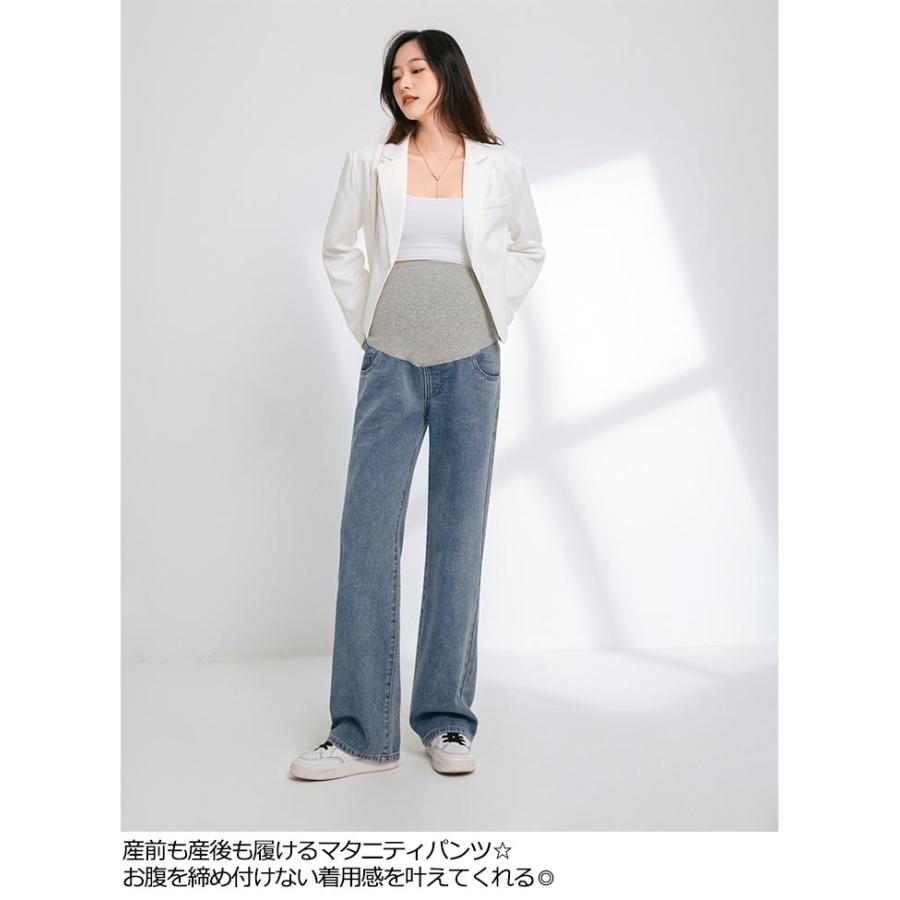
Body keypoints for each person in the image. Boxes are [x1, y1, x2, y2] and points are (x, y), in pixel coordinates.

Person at [290, 29, 545, 780]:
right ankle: (361, 734)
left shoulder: (499, 165)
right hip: (391, 361)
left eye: (417, 68)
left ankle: (446, 722)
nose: (403, 82)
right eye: (395, 73)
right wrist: (370, 324)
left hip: (473, 363)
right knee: (367, 538)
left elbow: (528, 248)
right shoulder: (370, 165)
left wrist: (492, 318)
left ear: (447, 74)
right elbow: (339, 249)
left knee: (458, 538)